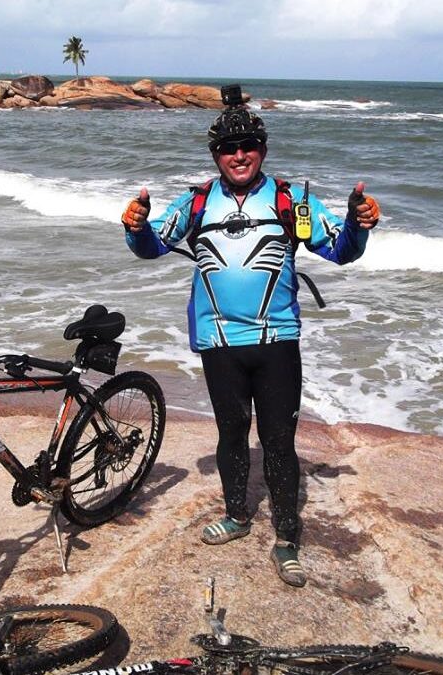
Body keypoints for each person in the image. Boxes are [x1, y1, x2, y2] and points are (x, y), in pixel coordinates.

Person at [118, 85, 379, 587]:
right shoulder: (195, 203)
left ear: (262, 149)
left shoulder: (291, 199)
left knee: (279, 442)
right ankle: (238, 515)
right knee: (231, 433)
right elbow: (151, 246)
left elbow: (341, 250)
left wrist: (359, 223)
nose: (239, 155)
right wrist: (135, 225)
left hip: (277, 341)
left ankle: (286, 538)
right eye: (227, 148)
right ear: (215, 155)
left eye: (248, 146)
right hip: (219, 344)